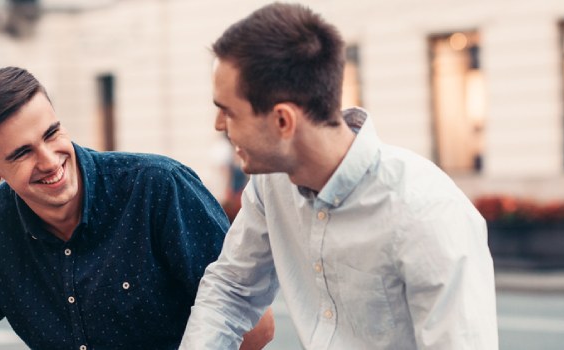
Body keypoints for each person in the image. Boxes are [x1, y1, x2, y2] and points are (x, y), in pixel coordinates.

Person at [181, 3, 498, 349]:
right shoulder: (270, 183)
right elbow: (231, 290)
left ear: (283, 121)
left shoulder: (427, 211)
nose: (219, 125)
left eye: (229, 112)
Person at [0, 67, 273, 350]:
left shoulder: (158, 187)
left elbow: (256, 326)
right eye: (22, 153)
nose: (50, 161)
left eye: (52, 134)